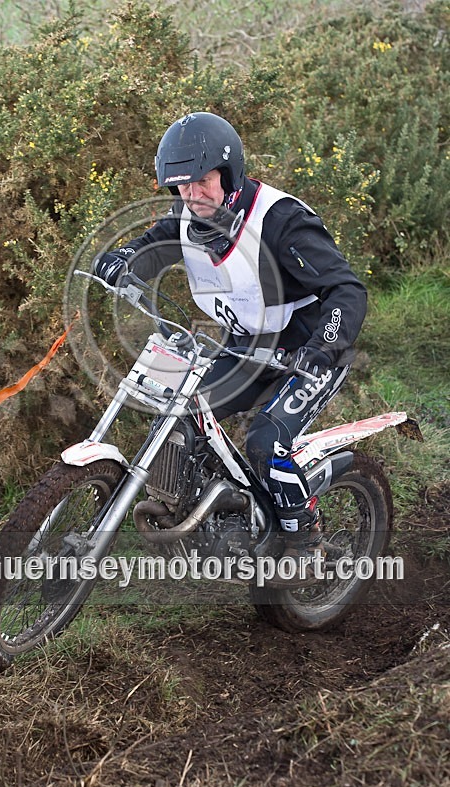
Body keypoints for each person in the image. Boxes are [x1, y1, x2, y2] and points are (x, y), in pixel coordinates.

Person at [94, 111, 367, 560]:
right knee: (177, 413)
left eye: (203, 181)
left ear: (230, 173)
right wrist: (123, 259)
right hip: (247, 346)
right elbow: (155, 243)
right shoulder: (188, 214)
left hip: (308, 350)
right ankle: (219, 519)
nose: (193, 195)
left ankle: (304, 545)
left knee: (266, 443)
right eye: (181, 186)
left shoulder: (280, 221)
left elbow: (346, 290)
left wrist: (323, 348)